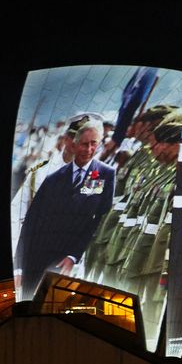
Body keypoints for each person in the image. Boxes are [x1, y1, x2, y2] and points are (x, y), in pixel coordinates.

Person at [15, 118, 116, 298]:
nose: (87, 148)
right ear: (68, 140)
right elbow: (21, 218)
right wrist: (17, 266)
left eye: (93, 143)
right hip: (36, 255)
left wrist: (74, 255)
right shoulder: (43, 173)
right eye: (74, 138)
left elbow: (98, 218)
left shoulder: (101, 175)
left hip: (70, 260)